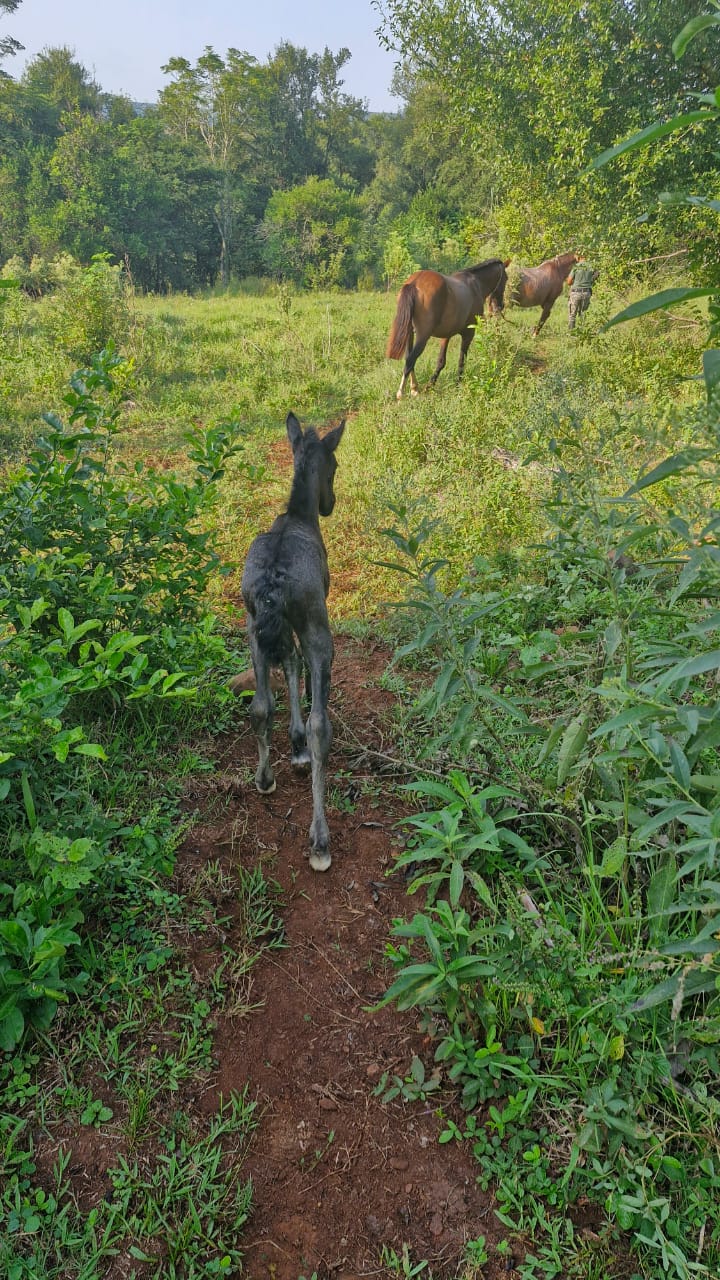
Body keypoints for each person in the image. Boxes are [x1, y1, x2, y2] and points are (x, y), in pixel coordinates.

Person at [566, 254, 599, 331]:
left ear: (579, 257)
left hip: (576, 293)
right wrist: (590, 280)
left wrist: (575, 282)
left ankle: (571, 333)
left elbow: (569, 282)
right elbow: (597, 273)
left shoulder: (576, 266)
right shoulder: (591, 266)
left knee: (572, 315)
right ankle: (583, 333)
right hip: (587, 293)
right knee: (583, 314)